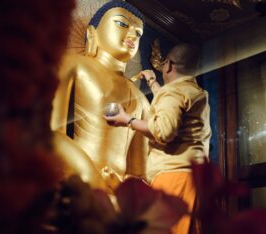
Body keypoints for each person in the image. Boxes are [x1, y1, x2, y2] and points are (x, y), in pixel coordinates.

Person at [104, 43, 211, 234]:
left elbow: (163, 130)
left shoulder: (174, 93)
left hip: (174, 179)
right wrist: (153, 83)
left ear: (168, 65)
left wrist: (128, 120)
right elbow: (170, 106)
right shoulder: (195, 92)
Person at [50, 0, 150, 192]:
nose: (132, 35)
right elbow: (52, 133)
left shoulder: (141, 98)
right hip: (79, 180)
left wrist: (128, 189)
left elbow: (139, 173)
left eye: (138, 33)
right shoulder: (74, 65)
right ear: (91, 32)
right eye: (122, 24)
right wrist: (90, 175)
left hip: (116, 192)